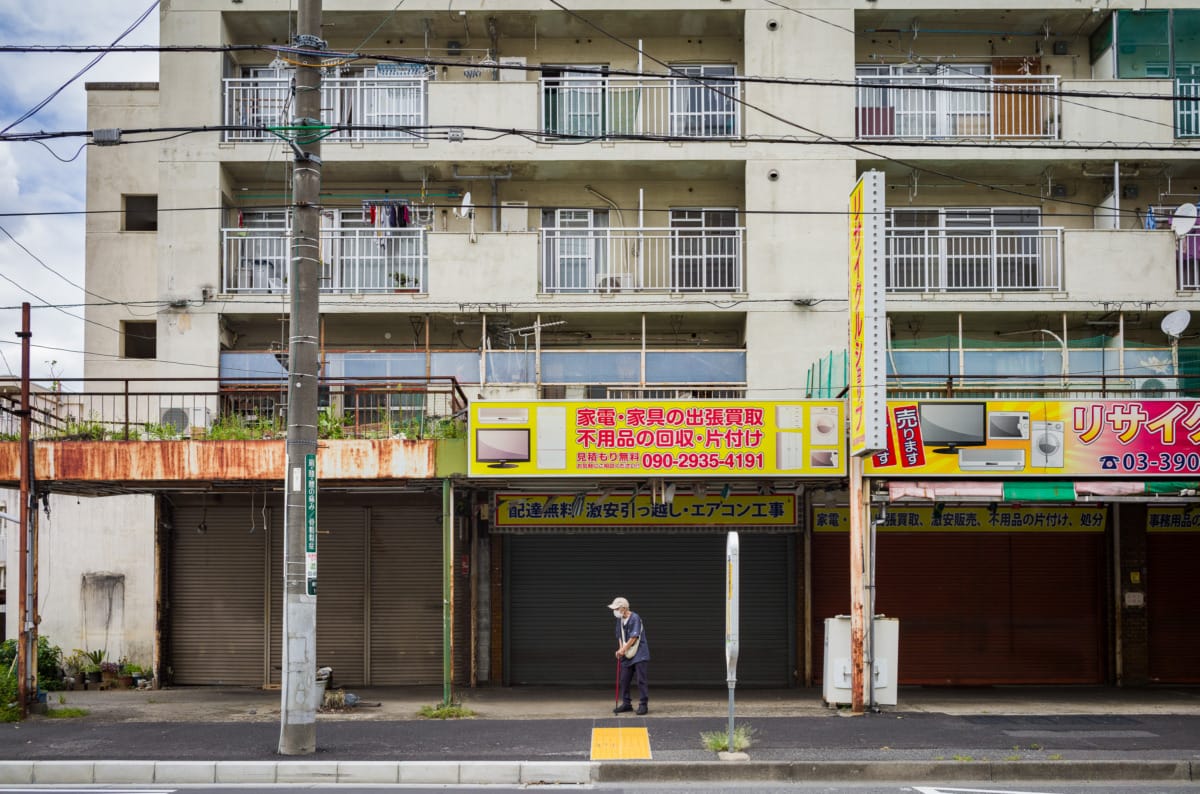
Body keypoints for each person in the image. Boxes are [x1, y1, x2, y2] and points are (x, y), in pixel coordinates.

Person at [607, 596, 649, 715]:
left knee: (641, 680)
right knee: (624, 680)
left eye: (616, 608)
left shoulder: (635, 618)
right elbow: (620, 636)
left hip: (639, 653)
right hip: (627, 653)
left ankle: (643, 704)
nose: (614, 611)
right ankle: (626, 704)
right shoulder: (619, 620)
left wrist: (623, 650)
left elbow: (634, 637)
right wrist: (620, 649)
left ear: (624, 608)